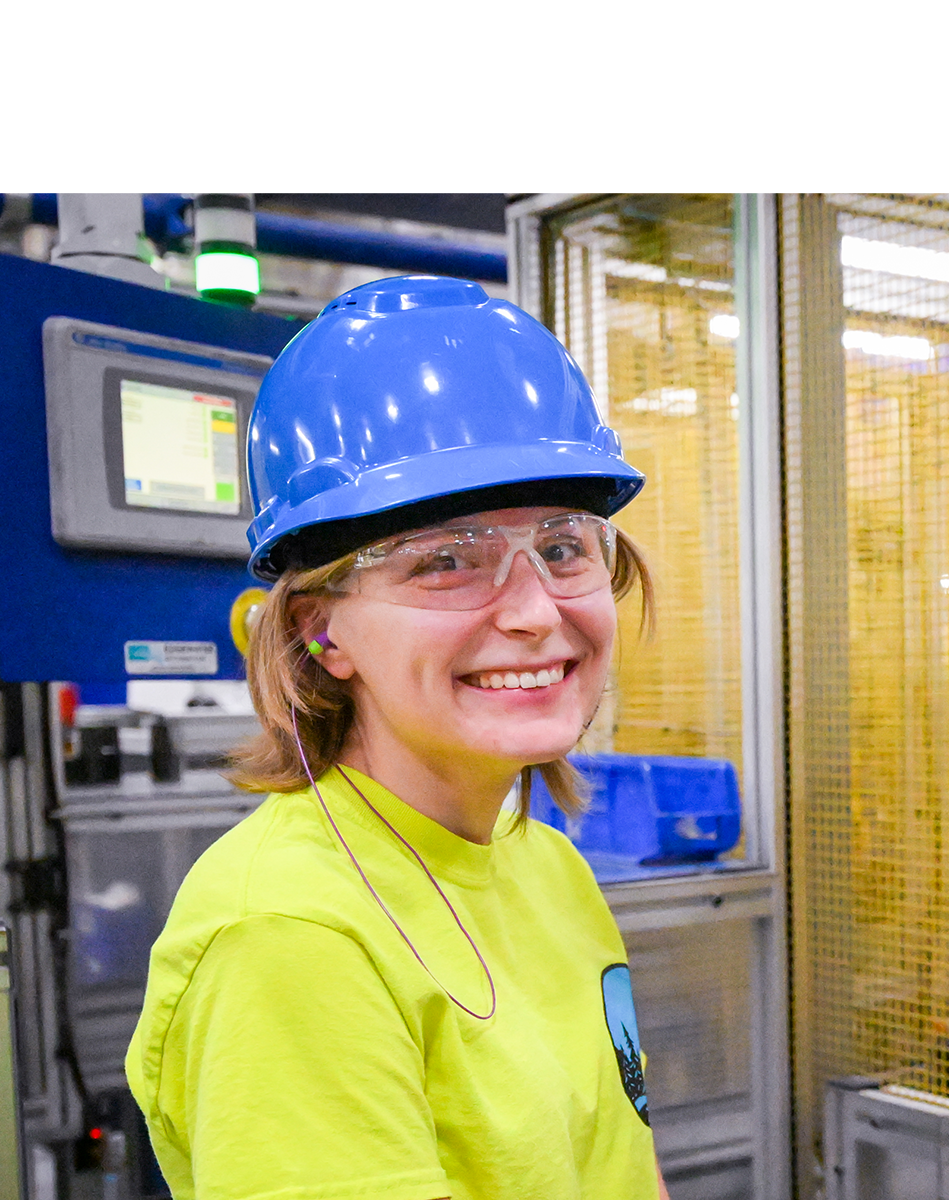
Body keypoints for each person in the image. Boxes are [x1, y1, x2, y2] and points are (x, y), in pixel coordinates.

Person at [126, 275, 672, 1200]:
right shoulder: (290, 938)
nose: (539, 611)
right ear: (316, 629)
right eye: (448, 562)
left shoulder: (547, 865)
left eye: (565, 546)